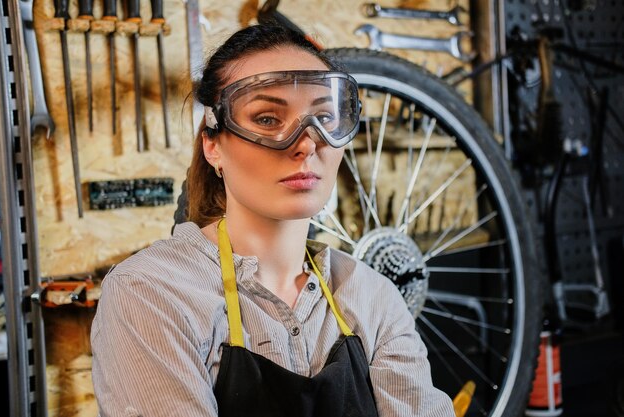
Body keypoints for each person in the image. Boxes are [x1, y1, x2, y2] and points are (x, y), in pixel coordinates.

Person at [91, 24, 455, 417]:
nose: (305, 143)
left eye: (323, 117)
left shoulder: (373, 298)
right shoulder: (153, 294)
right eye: (267, 119)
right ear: (213, 146)